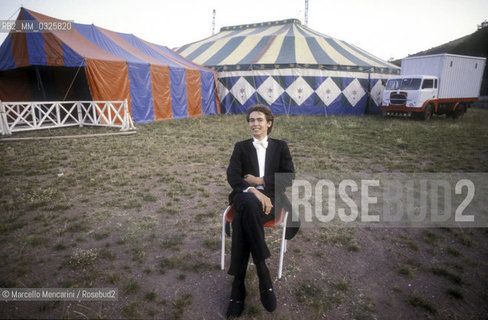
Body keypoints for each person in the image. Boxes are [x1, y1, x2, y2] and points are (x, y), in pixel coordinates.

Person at [225, 104, 295, 318]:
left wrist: (262, 181)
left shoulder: (280, 146)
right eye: (251, 120)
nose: (254, 124)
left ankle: (238, 287)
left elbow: (290, 176)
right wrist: (254, 190)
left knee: (243, 217)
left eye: (259, 120)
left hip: (272, 201)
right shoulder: (241, 147)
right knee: (246, 201)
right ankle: (263, 273)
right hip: (248, 198)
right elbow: (233, 176)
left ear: (269, 123)